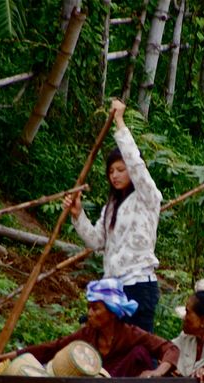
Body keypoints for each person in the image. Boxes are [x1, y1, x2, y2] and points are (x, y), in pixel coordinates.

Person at [63, 99, 161, 332]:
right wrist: (78, 215)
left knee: (139, 347)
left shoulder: (147, 196)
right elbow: (97, 242)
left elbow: (136, 164)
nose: (115, 176)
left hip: (138, 285)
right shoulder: (111, 207)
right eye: (111, 172)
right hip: (113, 288)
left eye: (120, 170)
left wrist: (119, 122)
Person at [10, 278, 178, 378]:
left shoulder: (131, 334)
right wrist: (2, 358)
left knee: (139, 353)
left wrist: (157, 372)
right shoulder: (87, 334)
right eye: (89, 307)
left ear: (112, 313)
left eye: (95, 308)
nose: (89, 313)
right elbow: (52, 348)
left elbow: (170, 349)